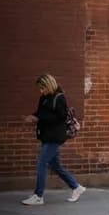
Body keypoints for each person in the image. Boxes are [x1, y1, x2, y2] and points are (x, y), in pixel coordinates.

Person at [22, 73, 86, 206]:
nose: (41, 91)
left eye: (43, 88)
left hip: (55, 136)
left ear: (49, 85)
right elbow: (40, 113)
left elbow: (60, 118)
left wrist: (40, 119)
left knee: (42, 163)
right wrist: (33, 117)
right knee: (55, 165)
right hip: (46, 135)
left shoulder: (59, 97)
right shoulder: (44, 98)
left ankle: (38, 196)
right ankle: (76, 187)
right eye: (40, 88)